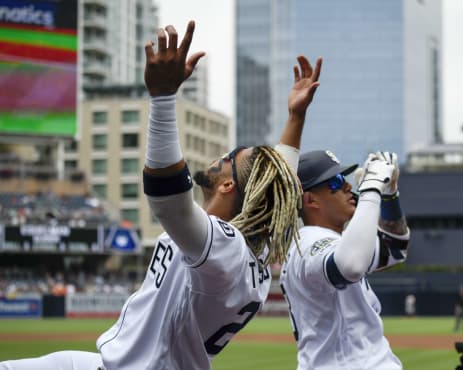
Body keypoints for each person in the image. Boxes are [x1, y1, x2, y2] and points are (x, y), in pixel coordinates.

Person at [0, 21, 322, 370]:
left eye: (230, 158)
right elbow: (277, 187)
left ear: (229, 187)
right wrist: (295, 117)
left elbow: (169, 199)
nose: (224, 156)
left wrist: (164, 98)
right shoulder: (249, 251)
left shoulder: (225, 246)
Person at [280, 149, 411, 370]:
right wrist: (371, 188)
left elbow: (394, 248)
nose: (348, 186)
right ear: (311, 200)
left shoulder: (335, 242)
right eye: (335, 182)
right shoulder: (309, 242)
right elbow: (350, 266)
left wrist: (389, 195)